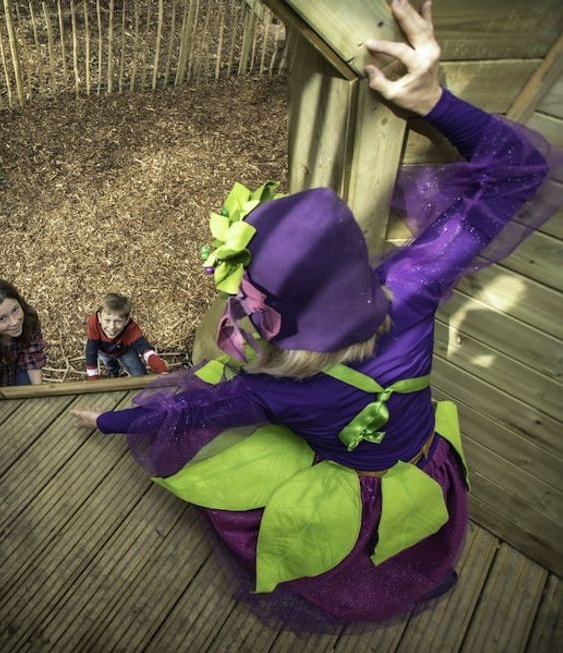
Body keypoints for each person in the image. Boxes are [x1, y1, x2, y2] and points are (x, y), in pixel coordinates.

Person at [71, 0, 561, 630]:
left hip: (350, 487)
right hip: (421, 465)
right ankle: (422, 561)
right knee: (406, 533)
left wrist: (111, 421)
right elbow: (519, 171)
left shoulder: (261, 387)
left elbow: (188, 410)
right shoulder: (410, 287)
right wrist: (436, 101)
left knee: (296, 534)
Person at [84, 293, 169, 379]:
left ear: (127, 320)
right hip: (103, 349)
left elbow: (145, 349)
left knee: (138, 372)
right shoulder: (93, 322)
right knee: (108, 362)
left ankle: (138, 381)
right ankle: (113, 371)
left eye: (118, 321)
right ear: (99, 317)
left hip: (125, 350)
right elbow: (91, 351)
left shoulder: (131, 328)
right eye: (107, 320)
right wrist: (93, 377)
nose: (112, 327)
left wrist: (161, 370)